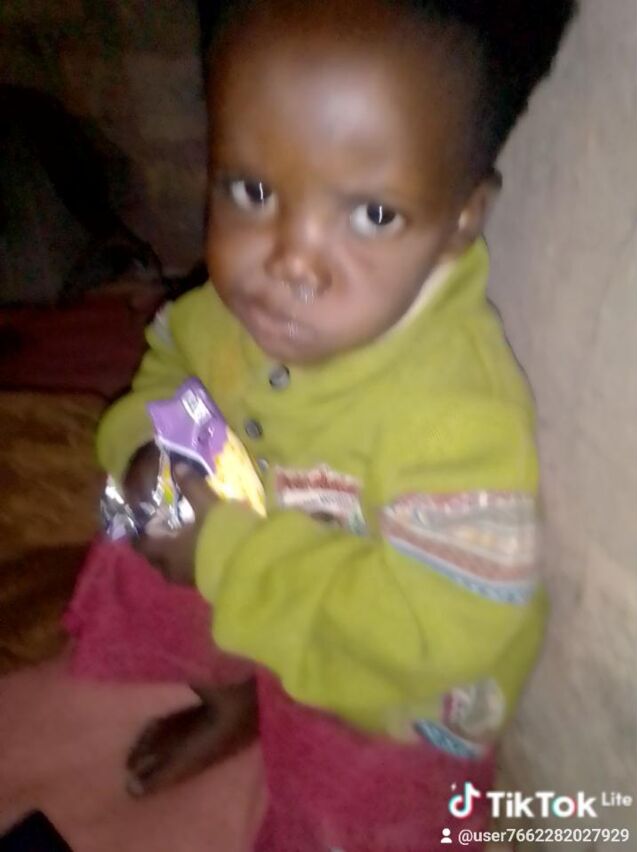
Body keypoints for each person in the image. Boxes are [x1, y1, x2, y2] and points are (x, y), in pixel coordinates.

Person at [68, 1, 577, 848]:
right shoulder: (229, 314)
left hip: (387, 683)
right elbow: (168, 370)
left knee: (352, 803)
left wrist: (218, 548)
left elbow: (434, 633)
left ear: (462, 218)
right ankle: (232, 699)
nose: (291, 262)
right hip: (258, 548)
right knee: (132, 511)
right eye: (253, 191)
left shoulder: (454, 414)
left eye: (372, 214)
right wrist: (151, 462)